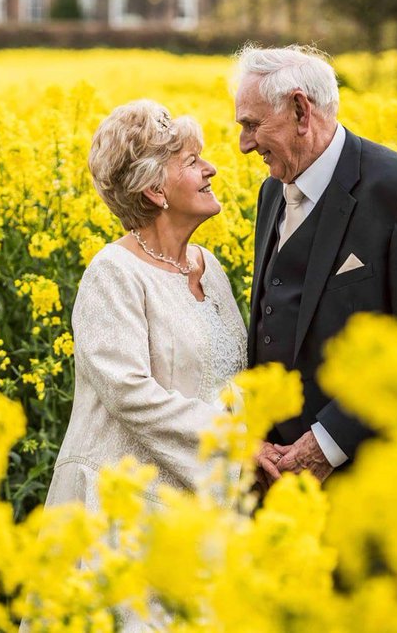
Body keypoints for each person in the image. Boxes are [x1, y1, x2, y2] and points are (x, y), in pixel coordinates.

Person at [233, 44, 397, 490]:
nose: (243, 144)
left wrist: (327, 443)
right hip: (273, 481)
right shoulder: (271, 193)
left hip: (365, 480)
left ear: (301, 110)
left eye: (252, 125)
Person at [44, 100, 248, 512]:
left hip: (205, 505)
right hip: (128, 510)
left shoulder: (210, 268)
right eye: (193, 162)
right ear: (155, 191)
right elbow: (129, 393)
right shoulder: (113, 273)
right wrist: (233, 442)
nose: (211, 169)